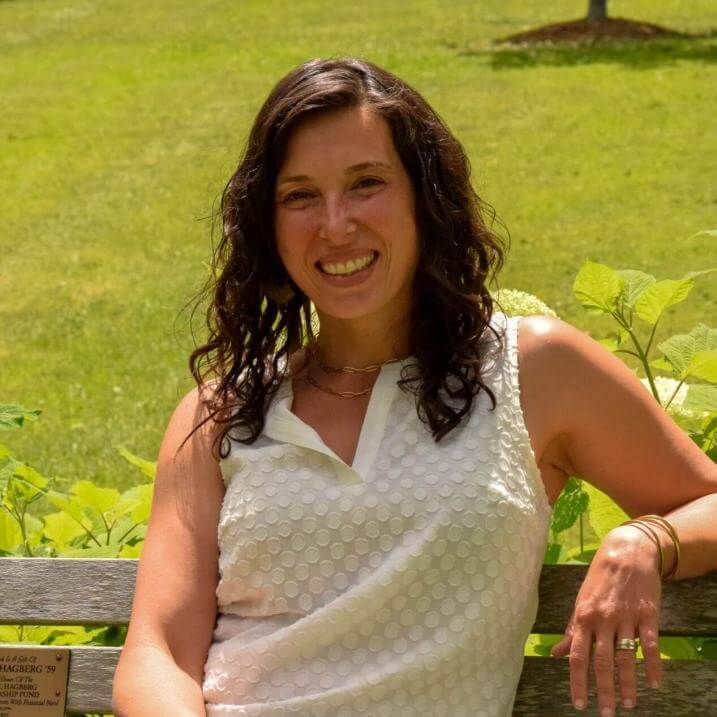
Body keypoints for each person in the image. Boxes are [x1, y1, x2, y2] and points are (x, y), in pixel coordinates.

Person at [112, 57, 717, 717]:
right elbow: (158, 652)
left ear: (423, 197)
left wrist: (646, 540)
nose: (335, 223)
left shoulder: (533, 369)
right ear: (269, 224)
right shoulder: (221, 413)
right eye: (300, 196)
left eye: (365, 183)